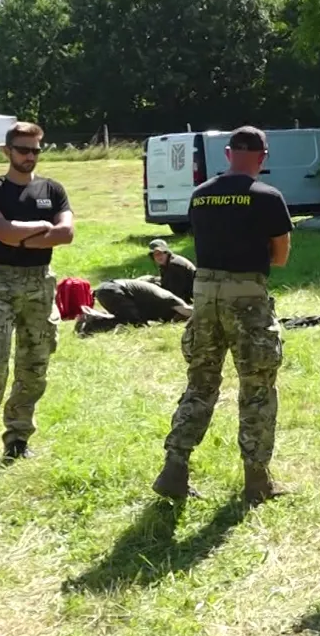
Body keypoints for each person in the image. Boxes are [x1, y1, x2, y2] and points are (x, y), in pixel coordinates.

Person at [150, 126, 293, 506]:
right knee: (257, 388)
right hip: (246, 296)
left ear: (228, 153)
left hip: (203, 296)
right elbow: (280, 257)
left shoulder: (200, 195)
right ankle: (257, 479)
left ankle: (174, 468)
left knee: (200, 384)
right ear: (263, 157)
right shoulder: (268, 197)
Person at [0, 121, 75, 474]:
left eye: (36, 149)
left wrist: (21, 234)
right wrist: (40, 229)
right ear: (7, 151)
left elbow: (65, 234)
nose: (30, 156)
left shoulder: (53, 189)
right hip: (1, 283)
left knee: (35, 365)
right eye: (23, 149)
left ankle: (18, 439)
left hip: (41, 283)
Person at [89, 278, 193, 327]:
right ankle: (91, 323)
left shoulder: (157, 299)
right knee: (137, 325)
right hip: (114, 290)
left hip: (106, 290)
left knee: (125, 319)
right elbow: (189, 310)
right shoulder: (170, 299)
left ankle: (93, 319)